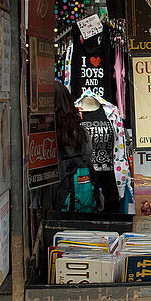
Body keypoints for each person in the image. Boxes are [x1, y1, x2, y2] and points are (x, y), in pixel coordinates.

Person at [52, 80, 103, 212]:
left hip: (57, 199)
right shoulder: (81, 133)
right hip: (82, 199)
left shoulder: (47, 137)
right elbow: (88, 158)